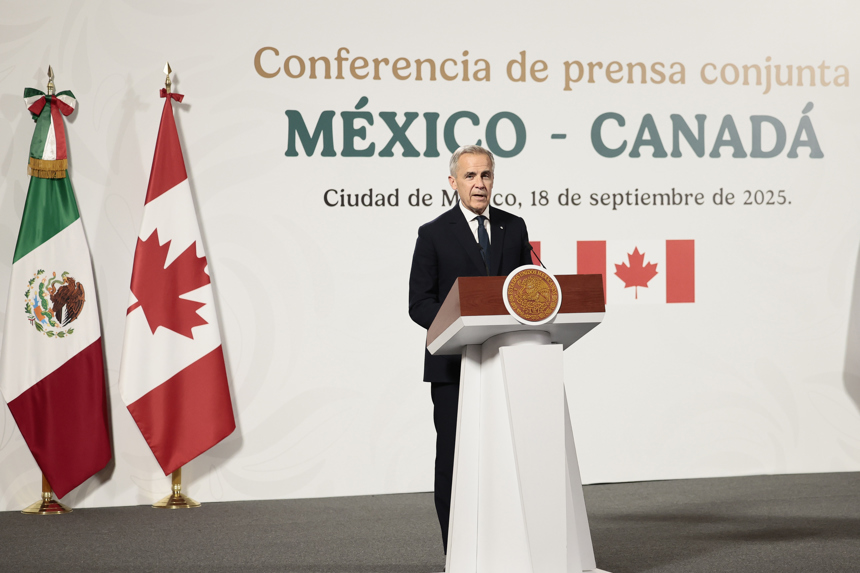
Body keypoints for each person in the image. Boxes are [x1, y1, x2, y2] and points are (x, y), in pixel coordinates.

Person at [408, 145, 533, 552]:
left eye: (486, 176)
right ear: (453, 182)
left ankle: (505, 548)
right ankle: (458, 553)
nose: (479, 184)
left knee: (504, 462)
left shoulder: (513, 229)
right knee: (454, 462)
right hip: (452, 367)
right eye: (470, 176)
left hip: (503, 364)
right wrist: (460, 325)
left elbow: (525, 289)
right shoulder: (433, 233)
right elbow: (419, 302)